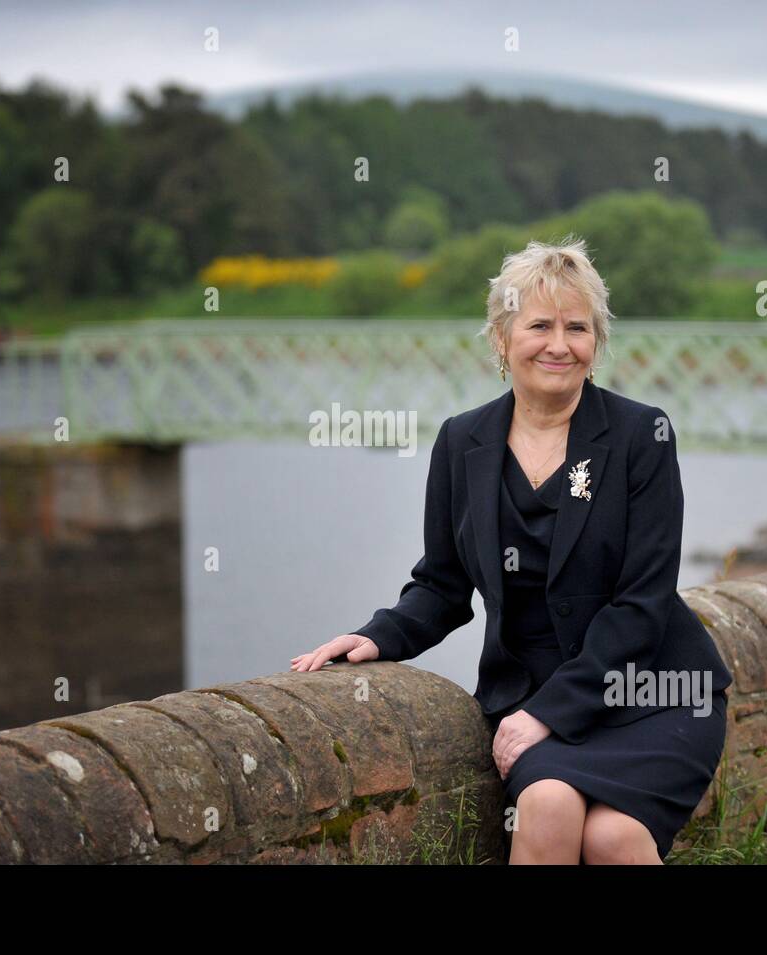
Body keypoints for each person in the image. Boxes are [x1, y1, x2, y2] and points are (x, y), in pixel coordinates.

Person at [291, 236, 734, 864]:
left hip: (651, 691)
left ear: (596, 343)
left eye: (578, 327)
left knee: (613, 839)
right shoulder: (461, 441)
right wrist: (378, 636)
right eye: (539, 325)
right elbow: (443, 585)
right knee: (551, 804)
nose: (559, 344)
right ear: (502, 339)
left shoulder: (643, 435)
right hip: (529, 692)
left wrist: (548, 714)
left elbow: (643, 602)